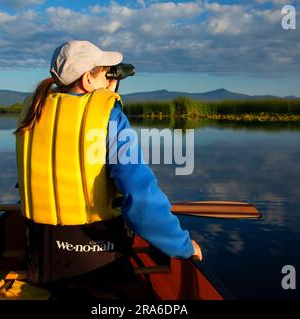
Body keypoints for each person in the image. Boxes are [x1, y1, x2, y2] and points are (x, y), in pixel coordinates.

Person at [13, 40, 202, 299]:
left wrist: (103, 88)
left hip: (43, 260)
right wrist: (181, 245)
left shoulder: (33, 112)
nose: (111, 77)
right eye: (105, 71)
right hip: (98, 264)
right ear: (88, 80)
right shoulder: (109, 117)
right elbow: (141, 198)